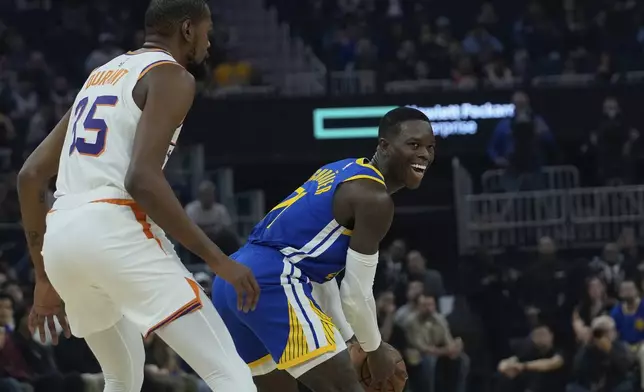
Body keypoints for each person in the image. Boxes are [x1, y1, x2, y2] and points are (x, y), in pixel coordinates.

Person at [16, 1, 259, 391]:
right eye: (206, 31)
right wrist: (219, 260)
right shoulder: (172, 76)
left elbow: (30, 177)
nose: (209, 43)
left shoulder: (100, 75)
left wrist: (43, 278)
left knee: (122, 375)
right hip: (114, 227)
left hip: (62, 236)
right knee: (228, 372)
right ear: (186, 29)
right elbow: (142, 180)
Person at [212, 107, 435, 392]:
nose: (424, 154)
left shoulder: (341, 168)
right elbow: (355, 295)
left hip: (234, 281)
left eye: (430, 147)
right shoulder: (374, 198)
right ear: (384, 146)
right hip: (273, 280)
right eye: (413, 145)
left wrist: (352, 339)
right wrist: (374, 350)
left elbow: (322, 280)